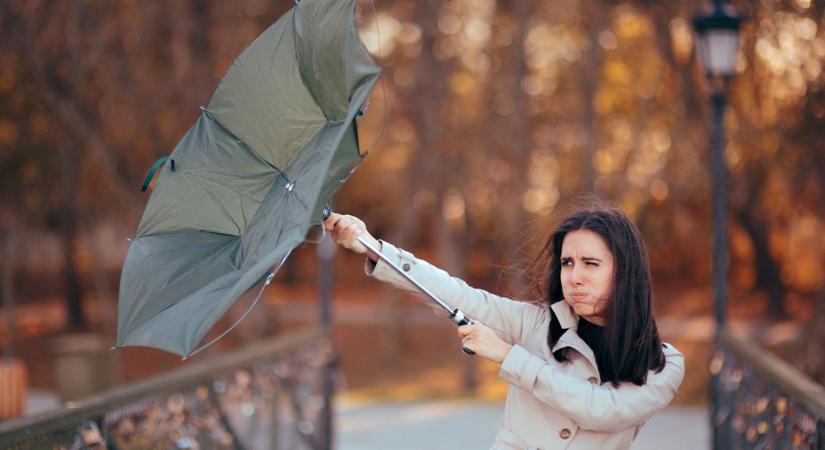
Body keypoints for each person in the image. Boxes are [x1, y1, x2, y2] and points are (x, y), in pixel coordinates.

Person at [323, 202, 685, 450]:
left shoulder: (663, 363)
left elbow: (601, 411)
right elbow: (458, 295)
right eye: (567, 262)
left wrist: (508, 356)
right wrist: (372, 247)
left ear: (625, 271)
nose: (574, 276)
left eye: (591, 263)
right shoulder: (536, 323)